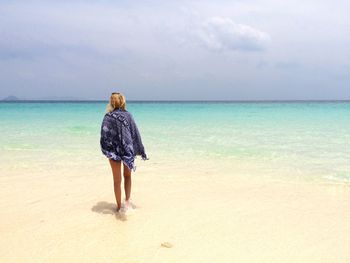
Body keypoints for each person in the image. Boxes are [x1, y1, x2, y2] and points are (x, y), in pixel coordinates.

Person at [100, 92, 148, 213]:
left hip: (113, 152)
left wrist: (107, 150)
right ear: (122, 101)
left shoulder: (108, 117)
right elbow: (134, 134)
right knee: (127, 176)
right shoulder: (128, 116)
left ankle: (118, 207)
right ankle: (127, 203)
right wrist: (139, 148)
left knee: (117, 181)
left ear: (111, 102)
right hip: (127, 150)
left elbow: (104, 135)